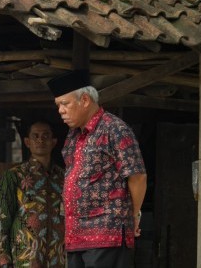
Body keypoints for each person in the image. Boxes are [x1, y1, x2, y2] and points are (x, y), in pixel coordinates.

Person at [47, 70, 147, 268]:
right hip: (76, 235)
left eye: (64, 104)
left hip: (107, 233)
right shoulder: (73, 135)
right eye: (58, 105)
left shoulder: (114, 128)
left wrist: (134, 215)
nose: (60, 111)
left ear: (84, 100)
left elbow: (137, 176)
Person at [0, 120, 66, 268]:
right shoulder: (14, 176)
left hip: (58, 254)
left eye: (46, 136)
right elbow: (2, 217)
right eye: (36, 136)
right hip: (25, 255)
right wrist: (3, 257)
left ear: (54, 142)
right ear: (27, 142)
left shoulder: (64, 177)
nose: (41, 140)